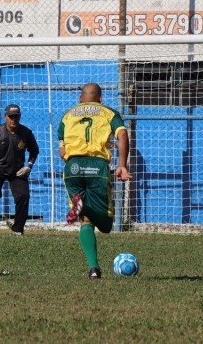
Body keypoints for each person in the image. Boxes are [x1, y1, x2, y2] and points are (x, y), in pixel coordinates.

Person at [58, 83, 131, 279]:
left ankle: (93, 269)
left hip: (72, 167)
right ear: (100, 98)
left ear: (81, 98)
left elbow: (62, 150)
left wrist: (74, 161)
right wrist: (122, 165)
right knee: (106, 225)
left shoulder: (67, 115)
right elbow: (122, 135)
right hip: (97, 167)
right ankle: (86, 207)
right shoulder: (109, 113)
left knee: (85, 222)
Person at [0, 104, 40, 235]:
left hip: (17, 170)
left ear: (19, 116)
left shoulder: (26, 133)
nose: (13, 120)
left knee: (23, 195)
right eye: (10, 117)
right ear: (5, 116)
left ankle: (17, 229)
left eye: (16, 116)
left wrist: (28, 166)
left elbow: (34, 151)